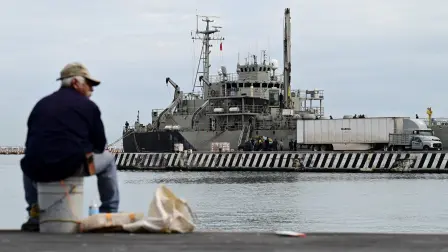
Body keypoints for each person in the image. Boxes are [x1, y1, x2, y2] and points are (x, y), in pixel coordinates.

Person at [20, 62, 120, 232]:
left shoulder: (41, 105)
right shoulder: (88, 106)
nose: (92, 90)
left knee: (28, 162)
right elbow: (100, 145)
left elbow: (30, 143)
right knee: (109, 158)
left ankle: (35, 215)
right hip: (72, 165)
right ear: (75, 83)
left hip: (38, 169)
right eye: (89, 84)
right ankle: (108, 214)